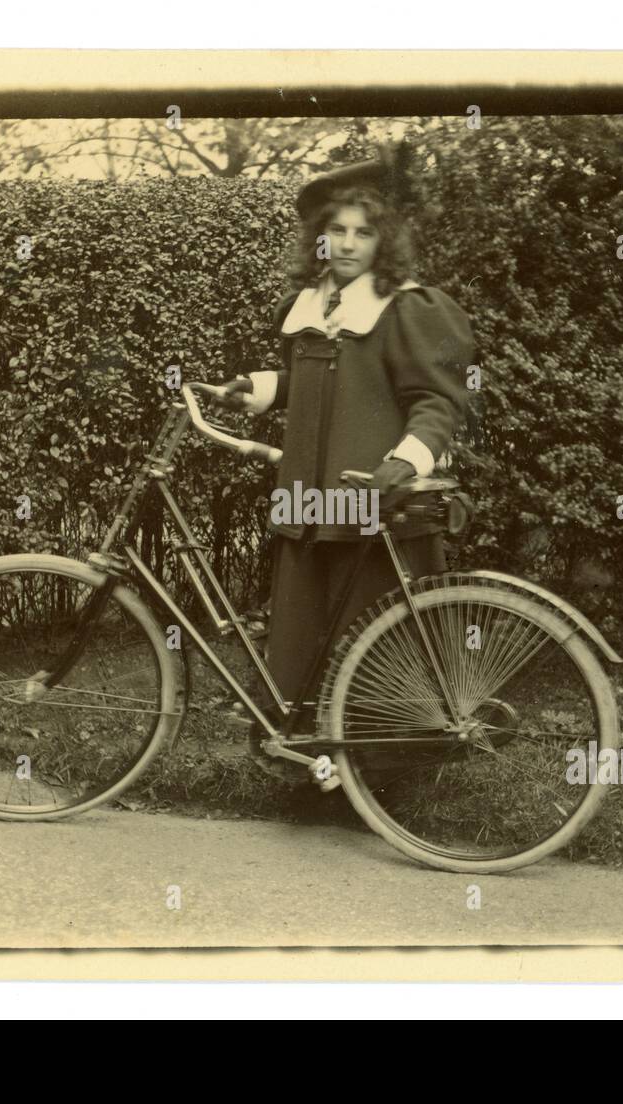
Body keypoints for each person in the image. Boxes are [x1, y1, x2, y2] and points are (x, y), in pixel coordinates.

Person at [215, 154, 476, 777]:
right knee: (306, 636)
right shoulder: (308, 306)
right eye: (338, 231)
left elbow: (435, 403)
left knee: (374, 644)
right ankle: (310, 770)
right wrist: (257, 388)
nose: (349, 244)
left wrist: (403, 463)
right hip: (308, 508)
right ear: (320, 238)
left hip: (368, 508)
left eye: (364, 232)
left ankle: (382, 781)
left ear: (384, 240)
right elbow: (313, 385)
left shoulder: (404, 308)